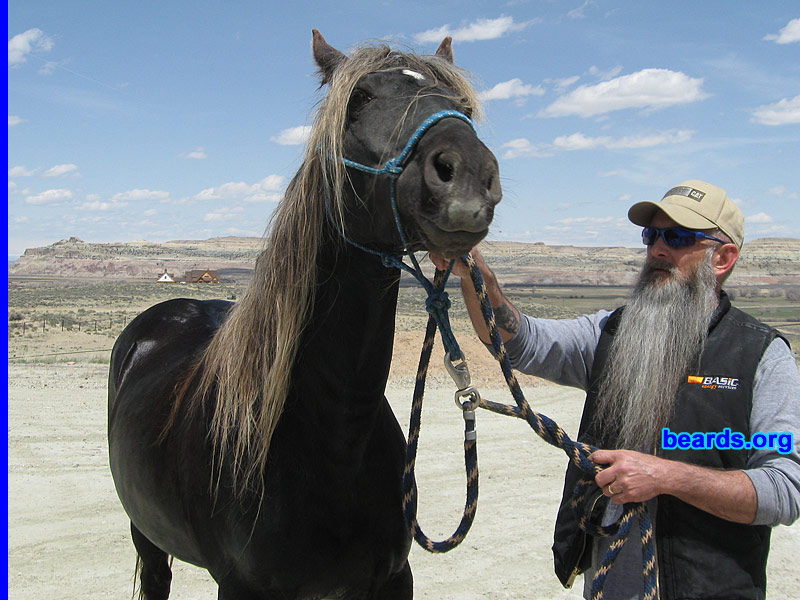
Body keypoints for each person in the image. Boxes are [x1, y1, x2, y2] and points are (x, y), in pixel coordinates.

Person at [432, 180, 800, 599]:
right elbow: (522, 342)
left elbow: (785, 487)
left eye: (678, 237)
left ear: (723, 257)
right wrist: (477, 275)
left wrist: (667, 477)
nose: (659, 249)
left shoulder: (761, 356)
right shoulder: (612, 332)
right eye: (652, 236)